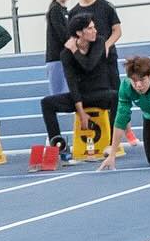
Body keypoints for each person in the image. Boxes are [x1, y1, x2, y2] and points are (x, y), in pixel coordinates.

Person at [40, 14, 119, 159]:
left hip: (99, 93)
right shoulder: (66, 54)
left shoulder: (99, 42)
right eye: (90, 28)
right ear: (79, 33)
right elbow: (71, 82)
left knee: (116, 96)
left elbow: (89, 65)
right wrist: (81, 111)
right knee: (46, 103)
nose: (95, 30)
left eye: (94, 27)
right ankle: (59, 145)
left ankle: (112, 144)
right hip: (80, 96)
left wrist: (75, 51)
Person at [71, 0, 123, 84]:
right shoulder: (74, 12)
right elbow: (73, 37)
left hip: (107, 57)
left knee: (114, 91)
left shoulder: (106, 6)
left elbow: (117, 31)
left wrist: (106, 46)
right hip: (87, 61)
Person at [44, 0, 73, 97]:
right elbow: (62, 34)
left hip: (64, 57)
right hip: (56, 57)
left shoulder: (64, 10)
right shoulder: (55, 9)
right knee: (58, 94)